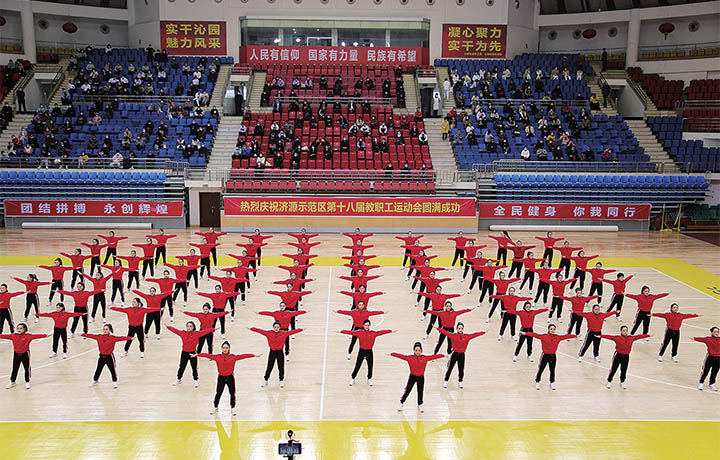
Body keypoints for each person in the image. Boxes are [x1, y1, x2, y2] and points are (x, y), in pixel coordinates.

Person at [200, 341, 257, 416]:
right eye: (223, 348)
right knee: (218, 393)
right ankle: (215, 406)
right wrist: (197, 354)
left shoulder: (233, 357)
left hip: (230, 377)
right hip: (221, 378)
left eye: (226, 348)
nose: (225, 349)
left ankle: (233, 407)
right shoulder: (217, 357)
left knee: (232, 393)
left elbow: (243, 356)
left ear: (229, 348)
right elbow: (207, 355)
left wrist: (253, 355)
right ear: (221, 349)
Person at [391, 342, 443, 412]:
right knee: (408, 390)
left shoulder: (425, 358)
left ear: (421, 350)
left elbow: (433, 357)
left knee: (420, 391)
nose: (417, 352)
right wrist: (392, 354)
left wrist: (443, 355)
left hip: (421, 377)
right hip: (412, 377)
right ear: (414, 350)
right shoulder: (410, 358)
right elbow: (401, 356)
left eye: (419, 350)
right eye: (416, 350)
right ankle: (401, 402)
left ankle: (420, 404)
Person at [341, 320, 394, 386]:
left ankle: (369, 378)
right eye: (365, 325)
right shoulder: (359, 332)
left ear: (370, 326)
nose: (367, 326)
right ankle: (353, 378)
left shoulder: (373, 333)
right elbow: (351, 332)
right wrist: (342, 331)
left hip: (369, 351)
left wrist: (390, 331)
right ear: (363, 326)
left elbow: (381, 332)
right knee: (358, 365)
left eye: (368, 325)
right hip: (361, 351)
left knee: (370, 365)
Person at [523, 325, 576, 390]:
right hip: (545, 356)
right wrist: (526, 333)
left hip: (553, 356)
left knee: (552, 370)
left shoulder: (557, 337)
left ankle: (552, 382)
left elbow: (566, 336)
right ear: (548, 329)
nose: (552, 330)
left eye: (554, 329)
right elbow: (535, 335)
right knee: (541, 369)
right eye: (551, 329)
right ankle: (537, 381)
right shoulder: (544, 336)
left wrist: (575, 336)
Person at [250, 323, 303, 388]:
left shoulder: (284, 333)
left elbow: (292, 332)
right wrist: (251, 328)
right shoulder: (269, 333)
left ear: (279, 328)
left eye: (278, 327)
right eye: (275, 327)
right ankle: (266, 379)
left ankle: (281, 380)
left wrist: (301, 329)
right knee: (269, 367)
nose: (276, 328)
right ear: (273, 327)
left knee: (281, 367)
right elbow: (260, 331)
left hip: (280, 352)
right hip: (272, 352)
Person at [168, 321, 215, 387]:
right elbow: (175, 330)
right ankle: (179, 379)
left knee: (194, 367)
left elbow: (205, 332)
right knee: (182, 366)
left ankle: (195, 380)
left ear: (193, 327)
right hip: (184, 353)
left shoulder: (196, 334)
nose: (188, 327)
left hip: (192, 353)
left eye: (190, 326)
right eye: (187, 326)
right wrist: (168, 327)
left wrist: (213, 329)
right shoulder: (183, 333)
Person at [84, 324, 132, 388]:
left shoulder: (113, 338)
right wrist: (82, 334)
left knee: (112, 370)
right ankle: (95, 380)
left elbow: (121, 338)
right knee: (98, 369)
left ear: (109, 330)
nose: (105, 330)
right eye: (104, 329)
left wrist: (129, 338)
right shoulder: (99, 337)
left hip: (109, 357)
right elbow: (91, 335)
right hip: (101, 356)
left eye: (106, 329)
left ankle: (114, 382)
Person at [0, 323, 47, 389]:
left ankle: (27, 382)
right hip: (16, 354)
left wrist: (45, 335)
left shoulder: (28, 336)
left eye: (21, 328)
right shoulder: (13, 336)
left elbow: (37, 336)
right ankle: (12, 381)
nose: (19, 330)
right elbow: (3, 336)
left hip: (25, 354)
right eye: (18, 328)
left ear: (24, 329)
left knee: (26, 368)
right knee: (15, 368)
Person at [438, 323, 485, 388]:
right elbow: (445, 332)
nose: (460, 330)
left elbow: (475, 334)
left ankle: (460, 381)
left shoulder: (466, 336)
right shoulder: (453, 335)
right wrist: (438, 328)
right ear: (457, 329)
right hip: (454, 354)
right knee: (450, 368)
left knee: (461, 369)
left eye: (462, 328)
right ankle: (446, 381)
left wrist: (483, 332)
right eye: (459, 328)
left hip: (462, 355)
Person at [694, 327, 720, 391]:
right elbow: (701, 339)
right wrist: (694, 338)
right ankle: (701, 383)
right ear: (712, 332)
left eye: (718, 332)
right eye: (715, 332)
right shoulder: (708, 339)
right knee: (705, 371)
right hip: (710, 357)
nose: (717, 333)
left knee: (715, 371)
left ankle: (711, 383)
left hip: (718, 358)